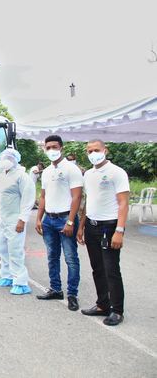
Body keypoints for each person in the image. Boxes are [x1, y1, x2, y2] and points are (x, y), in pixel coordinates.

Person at [77, 139, 129, 326]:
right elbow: (88, 201)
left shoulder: (117, 172)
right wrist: (81, 226)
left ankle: (117, 310)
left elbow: (123, 203)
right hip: (91, 225)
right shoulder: (88, 174)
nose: (93, 153)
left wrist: (120, 231)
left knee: (111, 270)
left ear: (105, 150)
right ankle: (102, 305)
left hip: (109, 226)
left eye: (96, 150)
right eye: (89, 151)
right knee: (97, 268)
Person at [35, 135, 83, 311]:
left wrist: (70, 221)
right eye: (48, 148)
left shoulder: (72, 169)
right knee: (52, 256)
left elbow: (77, 196)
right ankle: (55, 289)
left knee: (71, 258)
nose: (51, 150)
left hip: (65, 219)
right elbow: (43, 196)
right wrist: (39, 218)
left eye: (54, 147)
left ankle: (72, 294)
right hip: (49, 220)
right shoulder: (46, 171)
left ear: (61, 147)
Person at [0, 148, 35, 295]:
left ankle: (21, 282)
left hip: (15, 219)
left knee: (15, 250)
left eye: (10, 158)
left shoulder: (22, 176)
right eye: (4, 157)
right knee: (2, 249)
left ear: (16, 160)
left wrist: (22, 219)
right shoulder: (0, 176)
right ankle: (6, 275)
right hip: (1, 219)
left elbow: (28, 199)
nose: (6, 160)